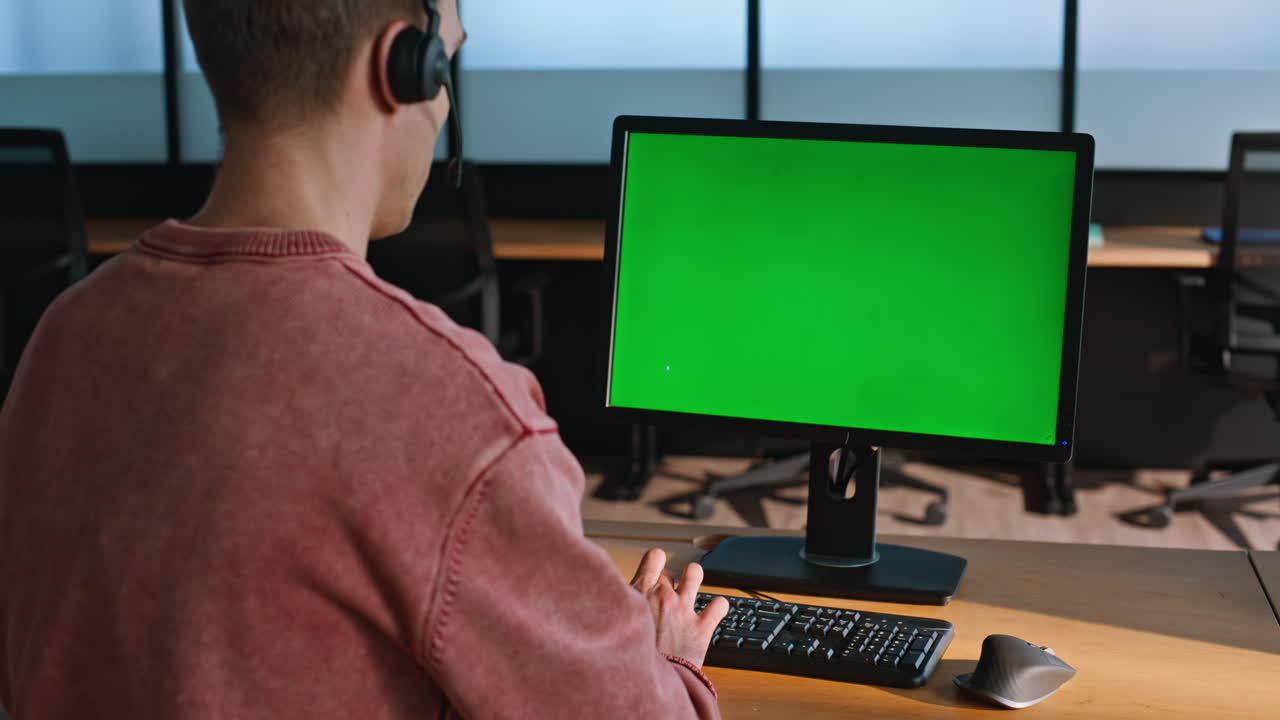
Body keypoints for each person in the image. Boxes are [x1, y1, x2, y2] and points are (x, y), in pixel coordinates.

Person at [0, 0, 730, 717]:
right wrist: (661, 664)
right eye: (450, 57)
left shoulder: (65, 338)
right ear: (401, 69)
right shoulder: (455, 410)